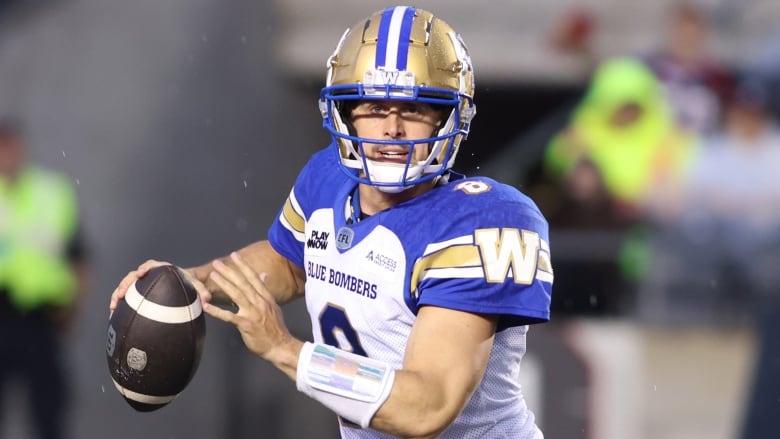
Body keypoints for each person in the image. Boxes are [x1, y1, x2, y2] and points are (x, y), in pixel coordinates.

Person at [110, 6, 553, 438]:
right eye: (374, 108)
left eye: (414, 109)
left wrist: (285, 349)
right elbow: (292, 261)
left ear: (451, 117)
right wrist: (193, 282)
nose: (391, 128)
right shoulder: (327, 179)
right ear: (344, 112)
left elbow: (427, 406)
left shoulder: (482, 222)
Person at [0, 118, 89, 439]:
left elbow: (79, 257)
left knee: (48, 414)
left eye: (9, 146)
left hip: (41, 318)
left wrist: (73, 309)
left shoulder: (50, 193)